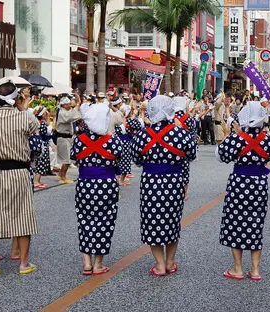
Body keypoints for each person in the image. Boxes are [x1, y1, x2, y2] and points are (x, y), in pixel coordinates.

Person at [0, 82, 39, 277]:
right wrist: (23, 107)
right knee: (23, 216)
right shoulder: (23, 117)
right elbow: (35, 127)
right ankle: (23, 263)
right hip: (19, 172)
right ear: (16, 98)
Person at [131, 95, 196, 276]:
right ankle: (170, 262)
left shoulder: (143, 135)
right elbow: (191, 155)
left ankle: (159, 264)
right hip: (174, 182)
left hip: (151, 182)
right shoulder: (181, 134)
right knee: (172, 221)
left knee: (152, 221)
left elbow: (136, 160)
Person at [216, 102, 270, 281]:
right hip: (259, 184)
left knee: (236, 223)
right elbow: (269, 155)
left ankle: (238, 268)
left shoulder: (236, 139)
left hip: (239, 184)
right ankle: (255, 270)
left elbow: (221, 156)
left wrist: (227, 135)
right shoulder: (266, 139)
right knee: (256, 222)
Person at [70, 102, 122, 275]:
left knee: (84, 220)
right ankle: (98, 263)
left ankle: (86, 262)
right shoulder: (112, 141)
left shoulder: (79, 140)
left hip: (84, 183)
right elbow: (119, 159)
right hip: (106, 184)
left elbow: (74, 158)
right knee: (105, 220)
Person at [173, 96, 197, 200]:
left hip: (171, 147)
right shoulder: (188, 118)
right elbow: (193, 134)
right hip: (184, 148)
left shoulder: (170, 117)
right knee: (185, 171)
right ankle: (184, 193)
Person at [56, 95, 81, 184]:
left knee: (67, 159)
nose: (69, 106)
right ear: (63, 105)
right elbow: (70, 117)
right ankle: (63, 177)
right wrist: (76, 106)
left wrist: (76, 105)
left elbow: (73, 116)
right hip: (63, 137)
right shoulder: (62, 113)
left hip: (67, 138)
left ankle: (61, 174)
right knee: (66, 159)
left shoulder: (65, 111)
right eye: (68, 104)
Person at [34, 107, 53, 189]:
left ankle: (38, 181)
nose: (46, 114)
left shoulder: (41, 122)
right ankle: (36, 181)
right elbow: (46, 133)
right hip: (43, 145)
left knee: (42, 163)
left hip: (42, 144)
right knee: (41, 163)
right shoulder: (42, 123)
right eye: (45, 113)